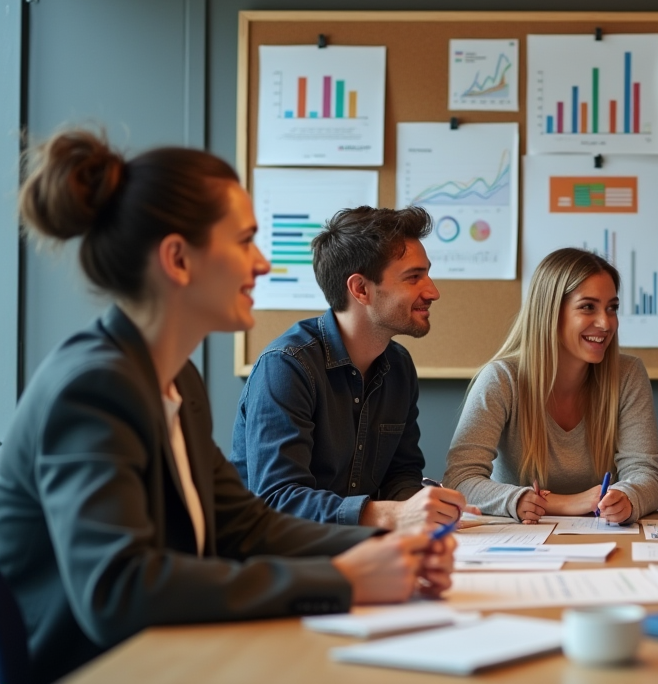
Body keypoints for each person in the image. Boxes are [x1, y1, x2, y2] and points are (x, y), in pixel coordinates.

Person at [0, 131, 454, 684]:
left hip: (173, 655)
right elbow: (116, 590)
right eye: (243, 241)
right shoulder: (92, 387)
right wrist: (342, 579)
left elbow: (244, 524)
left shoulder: (176, 379)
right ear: (178, 259)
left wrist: (387, 548)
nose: (262, 263)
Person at [232, 206, 468, 530]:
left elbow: (401, 475)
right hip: (282, 563)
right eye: (414, 277)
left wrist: (425, 507)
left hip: (361, 550)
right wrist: (391, 515)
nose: (432, 291)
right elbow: (278, 500)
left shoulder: (398, 367)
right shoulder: (287, 367)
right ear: (360, 289)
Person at [444, 248, 658, 523]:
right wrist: (557, 503)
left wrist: (628, 498)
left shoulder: (627, 374)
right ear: (549, 312)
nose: (605, 323)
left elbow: (647, 473)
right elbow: (460, 479)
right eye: (588, 307)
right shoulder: (501, 379)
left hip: (604, 536)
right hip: (522, 540)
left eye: (612, 308)